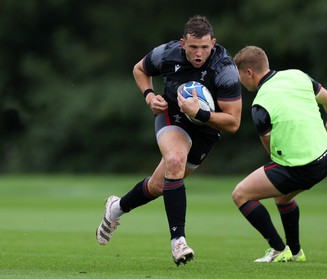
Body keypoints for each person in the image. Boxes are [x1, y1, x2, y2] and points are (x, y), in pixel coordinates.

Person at [96, 15, 242, 266]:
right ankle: (178, 242)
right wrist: (150, 96)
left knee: (158, 186)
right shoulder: (167, 54)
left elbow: (233, 122)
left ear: (213, 44)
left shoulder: (225, 69)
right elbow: (139, 69)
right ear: (182, 43)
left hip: (206, 130)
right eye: (193, 47)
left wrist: (201, 113)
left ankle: (116, 208)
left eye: (205, 48)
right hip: (172, 118)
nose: (199, 54)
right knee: (174, 160)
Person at [232, 46, 327, 263]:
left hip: (301, 168)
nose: (240, 82)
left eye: (239, 76)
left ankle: (278, 249)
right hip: (325, 158)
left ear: (249, 73)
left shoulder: (260, 103)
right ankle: (296, 252)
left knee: (241, 194)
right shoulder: (297, 76)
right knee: (283, 197)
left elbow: (270, 148)